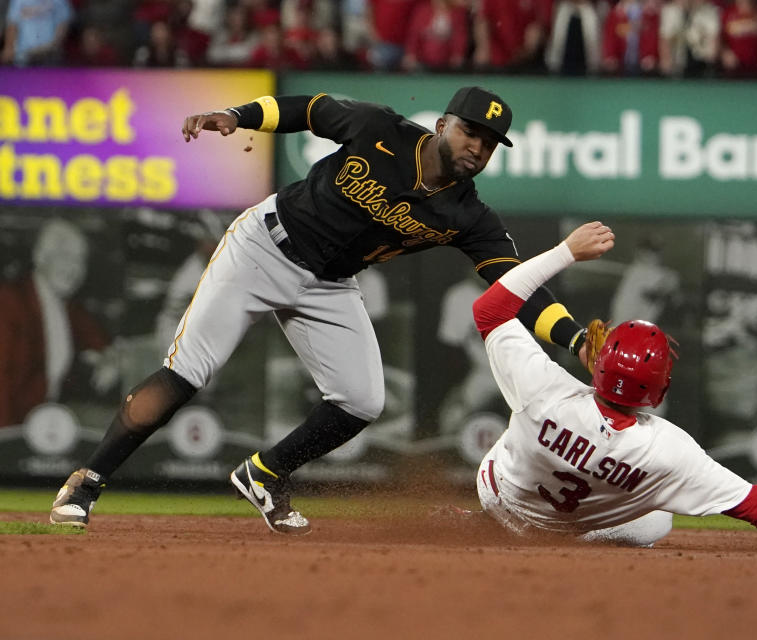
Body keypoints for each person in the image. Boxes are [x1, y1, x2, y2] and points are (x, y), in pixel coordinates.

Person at [50, 86, 594, 536]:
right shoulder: (381, 128)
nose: (478, 146)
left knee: (362, 400)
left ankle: (263, 474)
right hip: (263, 249)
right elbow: (308, 110)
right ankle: (86, 481)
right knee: (187, 373)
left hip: (329, 285)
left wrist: (572, 338)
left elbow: (515, 283)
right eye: (470, 131)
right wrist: (236, 117)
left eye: (491, 142)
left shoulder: (469, 215)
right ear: (444, 125)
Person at [467, 221, 757, 554]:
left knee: (521, 427)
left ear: (599, 363)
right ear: (659, 390)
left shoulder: (544, 389)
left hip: (497, 496)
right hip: (558, 531)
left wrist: (566, 251)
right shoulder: (669, 450)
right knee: (658, 517)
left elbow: (490, 310)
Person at [0, 219, 117, 428]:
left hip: (45, 417)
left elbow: (97, 338)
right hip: (14, 426)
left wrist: (107, 359)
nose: (73, 268)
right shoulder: (11, 302)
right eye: (65, 256)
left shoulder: (63, 305)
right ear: (40, 257)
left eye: (80, 260)